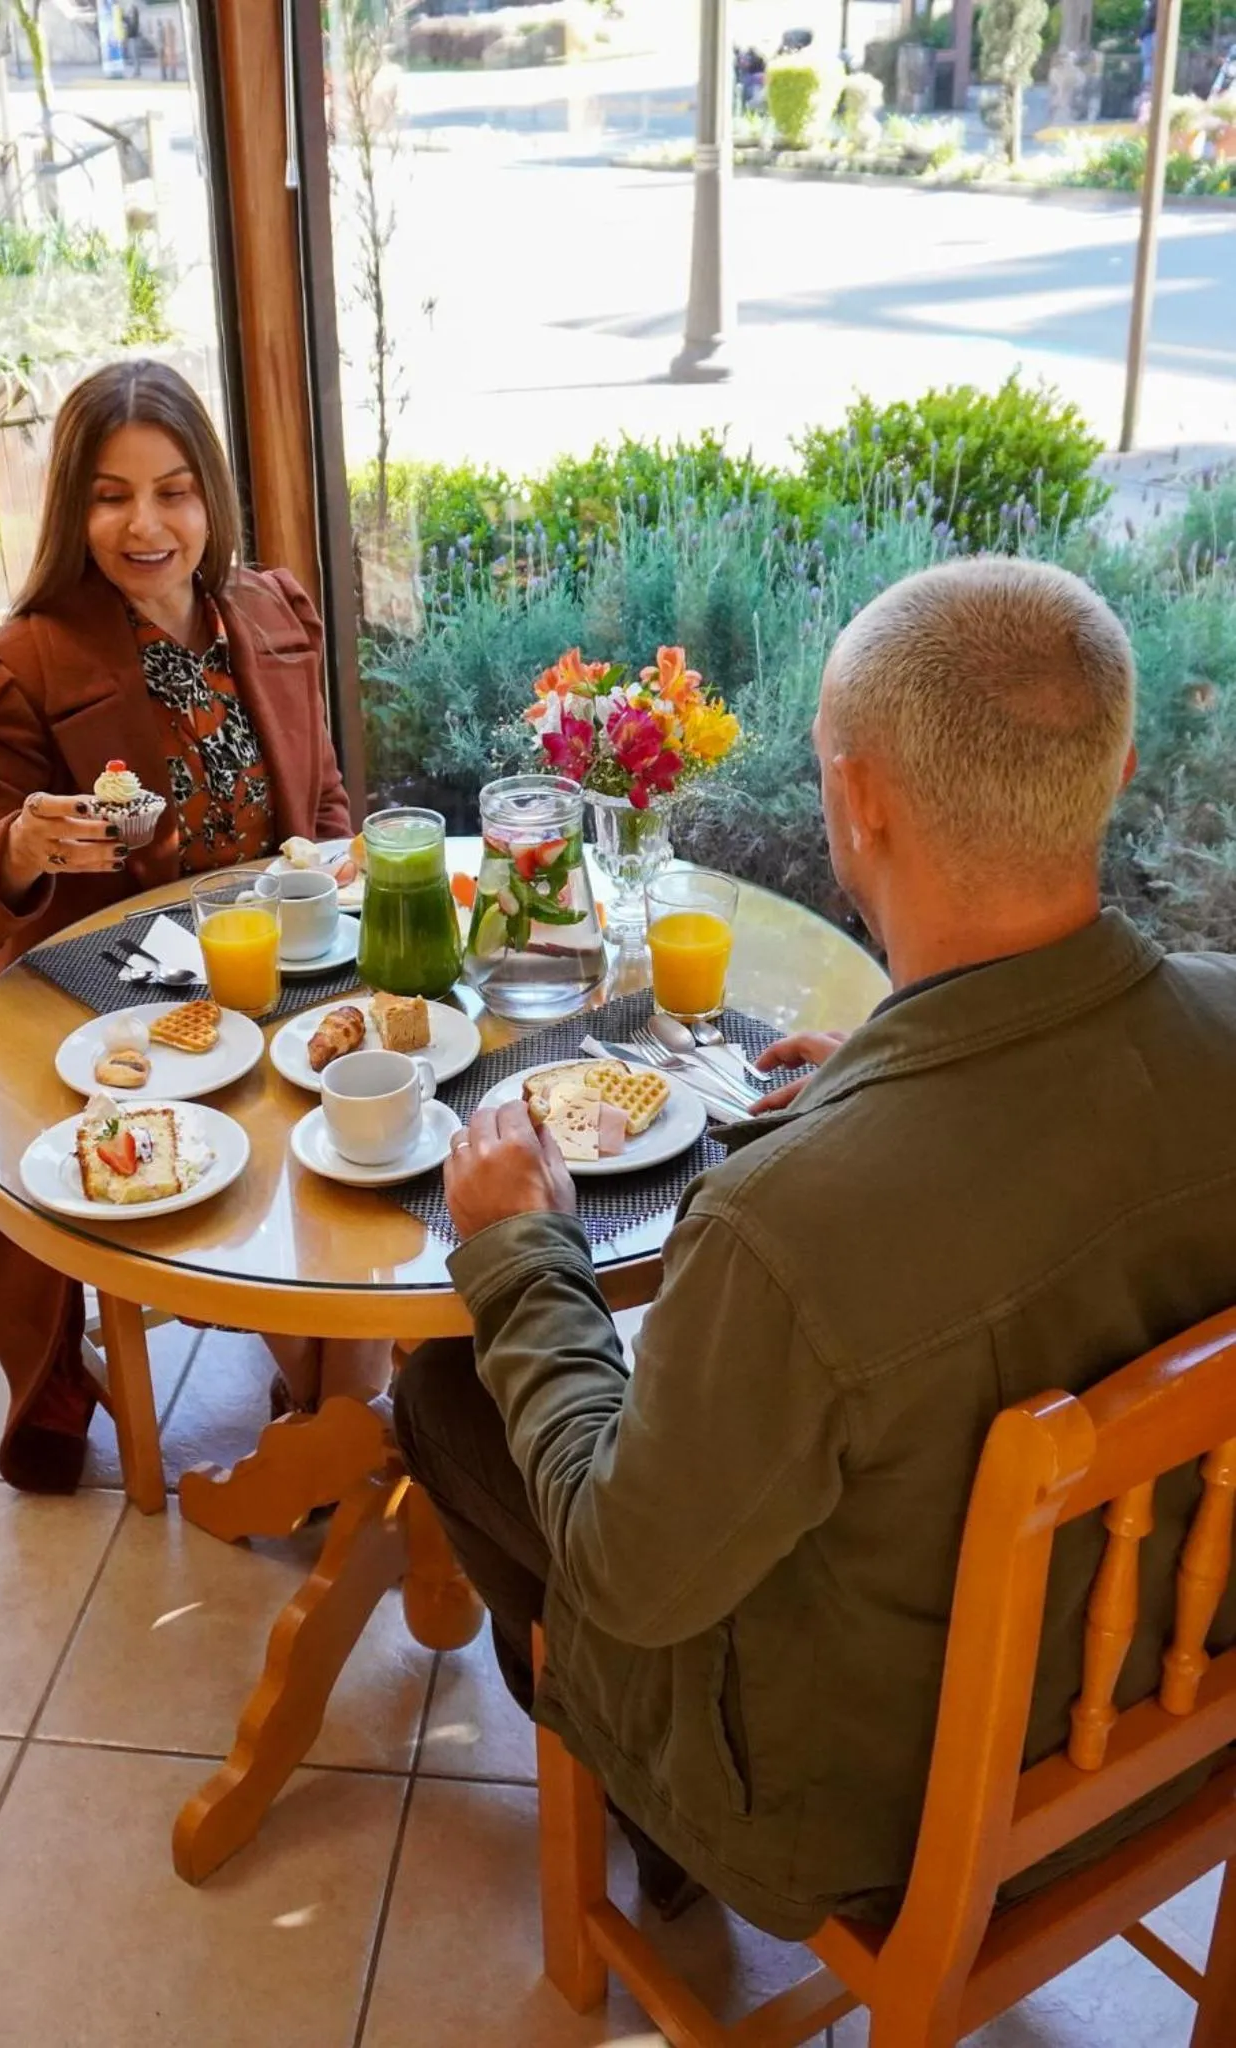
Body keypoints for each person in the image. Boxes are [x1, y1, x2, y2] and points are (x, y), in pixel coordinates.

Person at [393, 556, 1236, 1935]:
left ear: (854, 804)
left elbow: (625, 1566)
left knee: (446, 1391)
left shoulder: (784, 1230)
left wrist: (521, 1248)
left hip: (867, 1820)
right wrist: (885, 1069)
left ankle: (657, 1821)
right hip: (1170, 1695)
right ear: (1119, 767)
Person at [0, 359, 379, 1493]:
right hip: (127, 1028)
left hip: (287, 985)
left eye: (174, 490)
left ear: (210, 496)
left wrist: (337, 860)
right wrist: (15, 848)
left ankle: (341, 1413)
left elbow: (319, 806)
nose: (146, 524)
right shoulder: (20, 671)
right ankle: (347, 1434)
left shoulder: (271, 612)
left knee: (395, 1111)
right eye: (112, 495)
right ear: (75, 508)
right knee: (314, 1154)